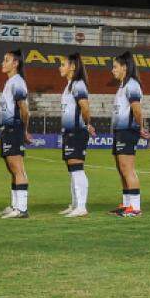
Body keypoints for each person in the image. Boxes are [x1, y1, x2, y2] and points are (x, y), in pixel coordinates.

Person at [109, 51, 148, 217]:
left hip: (128, 131)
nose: (113, 70)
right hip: (120, 131)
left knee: (127, 168)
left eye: (115, 67)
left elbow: (137, 110)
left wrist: (141, 127)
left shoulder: (132, 84)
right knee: (121, 169)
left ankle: (135, 207)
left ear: (124, 67)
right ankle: (126, 205)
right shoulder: (123, 85)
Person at [58, 52, 96, 217]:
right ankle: (74, 204)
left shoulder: (78, 84)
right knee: (71, 169)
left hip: (77, 131)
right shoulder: (69, 85)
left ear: (72, 66)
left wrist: (87, 124)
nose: (60, 67)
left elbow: (85, 107)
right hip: (69, 132)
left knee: (77, 168)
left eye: (63, 64)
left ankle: (81, 206)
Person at [0, 50, 32, 219]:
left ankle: (22, 208)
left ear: (15, 63)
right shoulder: (10, 82)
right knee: (12, 169)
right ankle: (14, 206)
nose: (3, 63)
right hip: (7, 130)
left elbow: (24, 110)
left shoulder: (17, 82)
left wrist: (24, 130)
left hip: (14, 129)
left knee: (18, 169)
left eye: (6, 60)